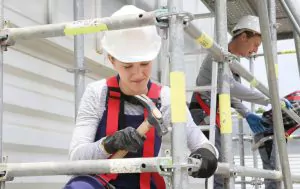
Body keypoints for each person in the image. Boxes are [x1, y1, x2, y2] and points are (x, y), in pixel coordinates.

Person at [64, 5, 218, 189]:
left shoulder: (167, 98)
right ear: (112, 60)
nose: (138, 74)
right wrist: (109, 144)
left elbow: (204, 144)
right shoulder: (97, 93)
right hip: (102, 185)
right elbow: (75, 158)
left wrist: (206, 157)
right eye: (128, 66)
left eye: (144, 64)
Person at [189, 15, 290, 189]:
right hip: (203, 111)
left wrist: (248, 113)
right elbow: (230, 87)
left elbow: (231, 95)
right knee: (220, 166)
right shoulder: (219, 55)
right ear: (243, 37)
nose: (255, 50)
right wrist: (269, 99)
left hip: (214, 112)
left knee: (224, 164)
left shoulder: (233, 63)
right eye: (255, 44)